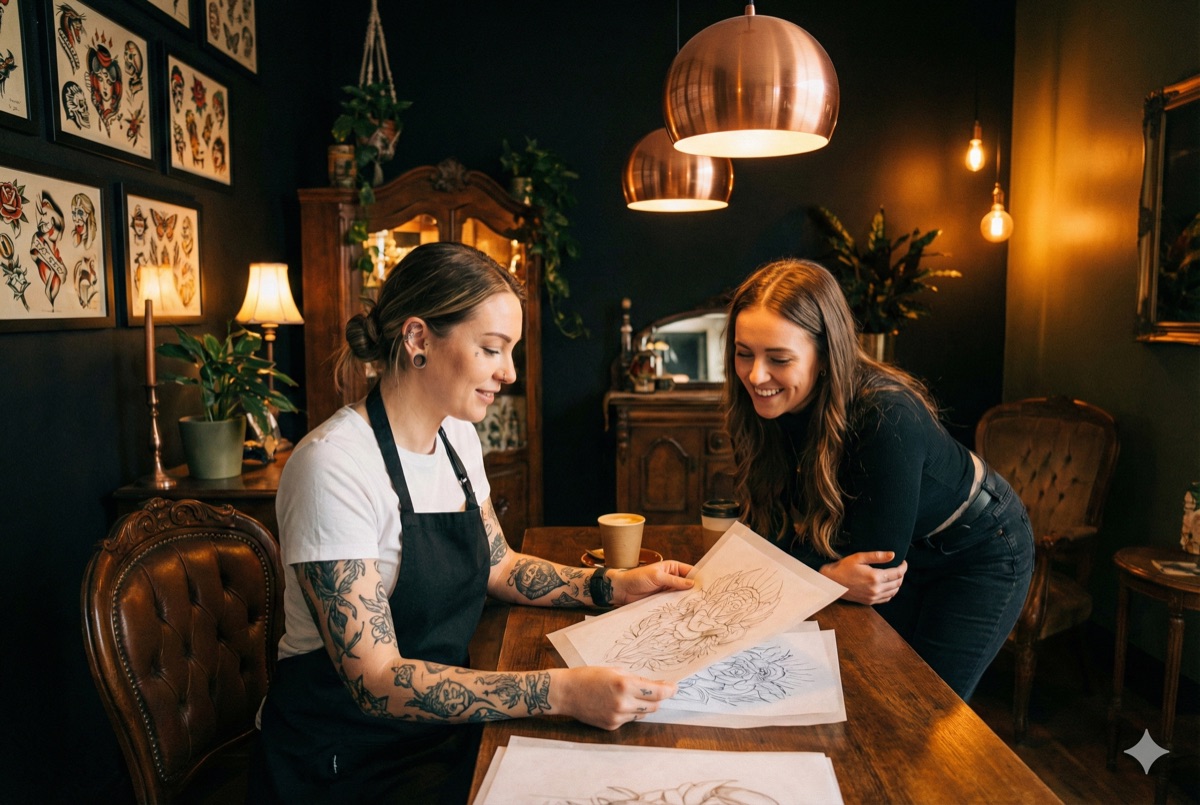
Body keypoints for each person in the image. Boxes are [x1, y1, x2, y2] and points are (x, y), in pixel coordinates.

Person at [252, 242, 694, 803]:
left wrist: (612, 586)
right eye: (491, 349)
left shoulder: (455, 435)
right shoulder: (333, 467)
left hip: (444, 734)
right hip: (345, 760)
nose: (508, 372)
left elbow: (499, 565)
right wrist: (559, 692)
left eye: (509, 351)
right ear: (418, 339)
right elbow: (376, 681)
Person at [723, 258, 1033, 701]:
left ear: (826, 355)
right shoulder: (764, 406)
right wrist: (827, 571)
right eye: (744, 353)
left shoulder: (887, 415)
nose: (755, 375)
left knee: (922, 706)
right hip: (905, 547)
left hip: (980, 548)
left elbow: (871, 569)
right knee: (875, 689)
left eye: (779, 359)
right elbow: (766, 534)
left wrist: (819, 569)